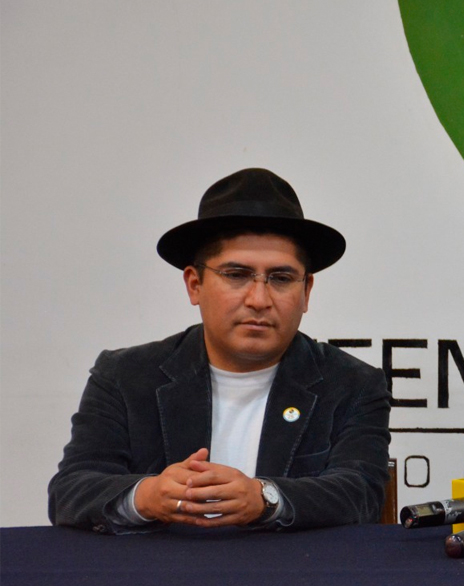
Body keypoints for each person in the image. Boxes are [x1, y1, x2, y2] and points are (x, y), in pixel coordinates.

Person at [48, 168, 391, 533]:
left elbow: (362, 495)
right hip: (155, 581)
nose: (259, 299)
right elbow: (70, 492)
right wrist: (146, 496)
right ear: (195, 284)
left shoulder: (353, 384)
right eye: (237, 274)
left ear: (306, 291)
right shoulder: (124, 375)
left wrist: (266, 499)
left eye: (281, 278)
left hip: (296, 581)